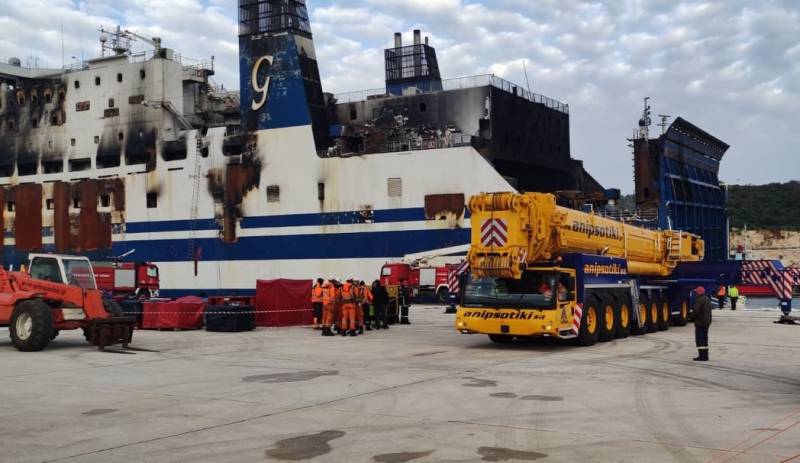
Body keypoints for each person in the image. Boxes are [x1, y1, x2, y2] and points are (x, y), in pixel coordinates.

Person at [688, 286, 712, 361]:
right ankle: (705, 355)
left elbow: (696, 311)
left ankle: (701, 356)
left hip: (700, 322)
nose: (695, 293)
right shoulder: (707, 299)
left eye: (696, 292)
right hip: (706, 322)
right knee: (705, 339)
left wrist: (691, 318)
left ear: (699, 292)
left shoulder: (699, 300)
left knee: (700, 339)